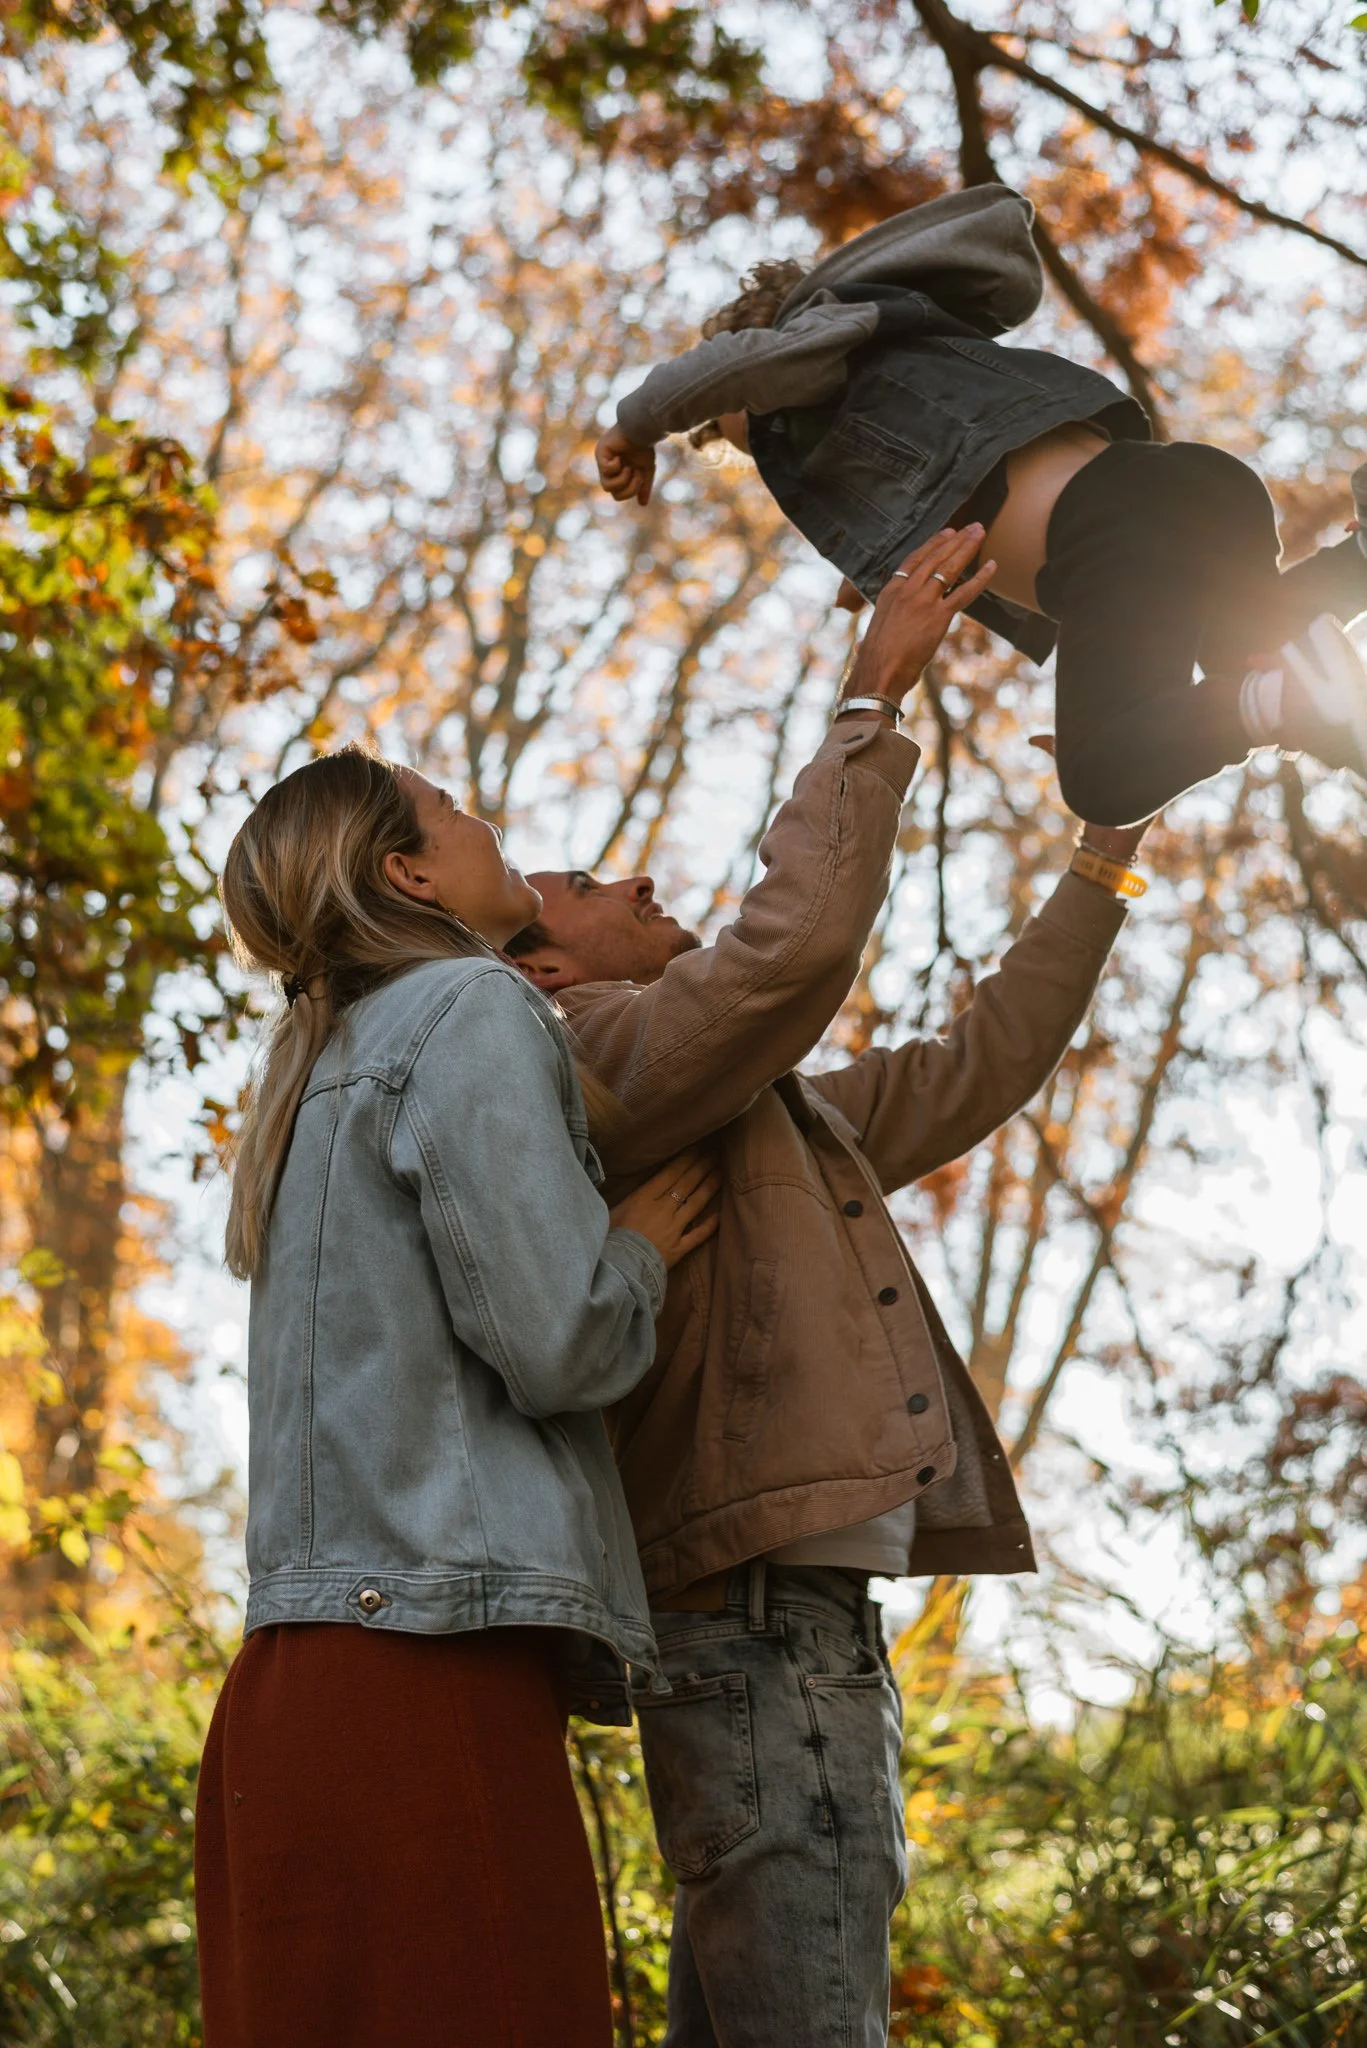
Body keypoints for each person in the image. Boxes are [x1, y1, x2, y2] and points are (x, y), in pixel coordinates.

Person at [503, 537, 1154, 2047]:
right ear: (541, 973)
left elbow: (970, 1067)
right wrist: (868, 695)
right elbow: (782, 953)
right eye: (588, 884)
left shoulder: (745, 1108)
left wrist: (1099, 857)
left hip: (790, 1616)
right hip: (747, 1618)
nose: (639, 876)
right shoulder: (589, 1052)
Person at [195, 745, 720, 2048]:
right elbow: (558, 1344)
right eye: (455, 810)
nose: (493, 825)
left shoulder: (314, 1067)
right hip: (423, 1694)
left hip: (283, 1700)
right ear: (407, 871)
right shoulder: (468, 1011)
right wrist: (639, 1252)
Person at [595, 183, 1367, 828]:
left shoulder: (807, 358)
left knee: (1101, 778)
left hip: (1110, 533)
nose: (760, 447)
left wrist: (634, 427)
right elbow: (920, 491)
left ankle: (1283, 699)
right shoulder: (895, 371)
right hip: (1187, 492)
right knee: (1256, 661)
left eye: (732, 426)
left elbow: (737, 369)